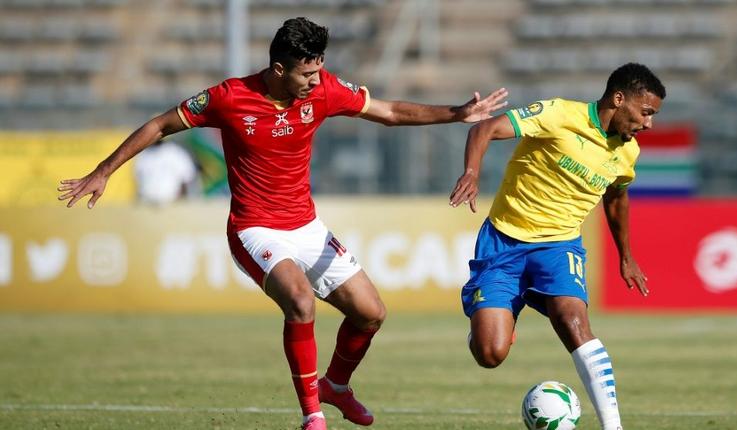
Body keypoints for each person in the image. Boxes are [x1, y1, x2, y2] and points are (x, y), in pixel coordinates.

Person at [57, 17, 507, 430]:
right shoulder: (230, 97)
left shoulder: (323, 90)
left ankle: (335, 387)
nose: (317, 81)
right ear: (277, 69)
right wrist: (103, 170)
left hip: (307, 227)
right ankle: (312, 414)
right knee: (300, 301)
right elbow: (159, 125)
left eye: (319, 72)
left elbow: (388, 112)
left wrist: (456, 114)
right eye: (307, 74)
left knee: (371, 314)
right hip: (255, 229)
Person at [448, 63, 665, 430]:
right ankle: (491, 321)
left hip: (559, 246)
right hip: (503, 241)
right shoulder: (558, 114)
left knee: (573, 320)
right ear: (618, 99)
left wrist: (625, 255)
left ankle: (613, 425)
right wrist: (471, 172)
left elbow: (616, 198)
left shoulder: (627, 153)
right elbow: (486, 127)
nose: (648, 124)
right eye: (646, 112)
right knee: (489, 353)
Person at [133, 139, 200, 205]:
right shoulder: (143, 154)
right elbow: (137, 177)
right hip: (146, 201)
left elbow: (187, 177)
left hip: (170, 201)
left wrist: (182, 200)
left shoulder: (175, 152)